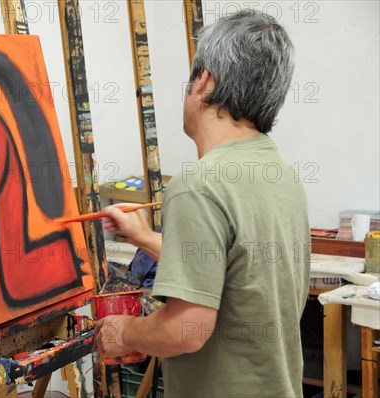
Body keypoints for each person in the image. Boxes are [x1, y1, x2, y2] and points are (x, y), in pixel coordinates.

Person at [95, 10, 310, 397]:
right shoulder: (279, 172)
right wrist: (143, 237)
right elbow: (233, 271)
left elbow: (185, 329)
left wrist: (124, 333)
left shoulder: (199, 184)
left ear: (205, 80)